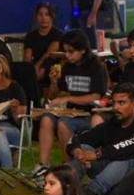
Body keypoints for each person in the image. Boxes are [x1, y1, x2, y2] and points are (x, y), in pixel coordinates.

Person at [66, 83, 134, 195]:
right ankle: (65, 186)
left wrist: (98, 154)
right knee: (83, 147)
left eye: (121, 103)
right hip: (116, 186)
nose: (115, 107)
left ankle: (89, 192)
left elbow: (133, 146)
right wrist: (76, 150)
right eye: (114, 103)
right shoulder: (112, 124)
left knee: (130, 157)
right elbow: (77, 139)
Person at [38, 29, 109, 166]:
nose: (67, 55)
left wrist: (68, 99)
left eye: (71, 51)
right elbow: (54, 96)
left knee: (63, 123)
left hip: (89, 113)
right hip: (70, 112)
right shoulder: (67, 67)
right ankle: (43, 164)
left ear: (83, 50)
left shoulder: (96, 67)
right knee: (46, 119)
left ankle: (69, 165)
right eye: (65, 51)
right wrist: (53, 83)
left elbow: (96, 96)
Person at [23, 2, 63, 87]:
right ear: (36, 17)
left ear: (51, 17)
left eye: (47, 14)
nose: (43, 18)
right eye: (40, 14)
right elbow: (27, 58)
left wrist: (37, 66)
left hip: (53, 67)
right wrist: (31, 70)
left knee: (49, 60)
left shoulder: (57, 34)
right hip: (35, 69)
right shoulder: (30, 36)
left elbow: (50, 53)